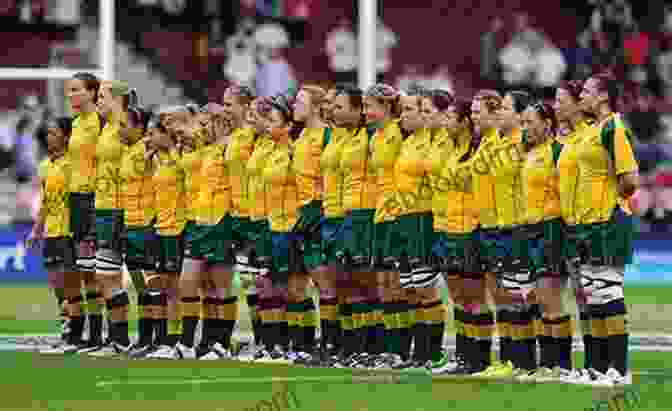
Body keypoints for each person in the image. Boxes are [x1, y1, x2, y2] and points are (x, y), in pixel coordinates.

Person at [563, 71, 639, 385]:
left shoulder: (614, 127)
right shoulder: (595, 129)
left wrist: (608, 205)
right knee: (595, 295)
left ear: (603, 96)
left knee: (608, 292)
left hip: (607, 221)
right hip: (589, 223)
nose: (582, 97)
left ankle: (619, 370)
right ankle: (598, 367)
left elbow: (630, 179)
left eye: (587, 92)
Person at [474, 90, 534, 378]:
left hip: (516, 226)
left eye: (507, 108)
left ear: (522, 115)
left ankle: (523, 360)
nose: (500, 113)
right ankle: (508, 358)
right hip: (493, 227)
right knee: (500, 295)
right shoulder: (494, 143)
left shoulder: (524, 144)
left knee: (517, 296)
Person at [423, 97, 480, 375]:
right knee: (457, 297)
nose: (444, 123)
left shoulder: (476, 150)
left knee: (472, 298)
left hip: (467, 228)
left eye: (449, 118)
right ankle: (463, 355)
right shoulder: (454, 150)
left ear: (464, 122)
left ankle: (477, 357)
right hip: (445, 227)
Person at [516, 102, 571, 381]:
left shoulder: (558, 151)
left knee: (551, 299)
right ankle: (547, 364)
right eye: (522, 123)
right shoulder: (530, 153)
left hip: (552, 228)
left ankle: (560, 365)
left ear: (547, 123)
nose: (525, 128)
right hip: (530, 228)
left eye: (530, 122)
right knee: (536, 298)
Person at [86, 81, 138, 356]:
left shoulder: (125, 127)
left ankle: (150, 338)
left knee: (142, 278)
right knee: (105, 275)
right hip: (104, 208)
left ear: (118, 99)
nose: (98, 100)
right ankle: (118, 339)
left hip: (123, 209)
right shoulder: (105, 127)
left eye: (103, 96)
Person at [289, 85, 331, 360]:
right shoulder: (302, 135)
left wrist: (321, 211)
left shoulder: (326, 135)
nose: (294, 105)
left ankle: (331, 343)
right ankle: (306, 344)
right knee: (298, 285)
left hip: (319, 212)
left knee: (324, 283)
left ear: (316, 106)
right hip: (301, 212)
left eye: (299, 101)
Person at [64, 72, 104, 351]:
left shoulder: (100, 121)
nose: (70, 95)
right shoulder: (76, 123)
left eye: (76, 90)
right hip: (76, 198)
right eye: (69, 90)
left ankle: (99, 333)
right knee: (81, 269)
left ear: (92, 92)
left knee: (94, 270)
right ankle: (86, 331)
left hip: (94, 197)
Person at [29, 117, 75, 353]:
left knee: (70, 284)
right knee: (56, 283)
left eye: (54, 133)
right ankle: (67, 326)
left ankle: (77, 330)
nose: (49, 138)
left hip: (70, 231)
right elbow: (46, 201)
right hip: (51, 232)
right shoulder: (45, 166)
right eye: (47, 133)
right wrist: (36, 230)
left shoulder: (73, 164)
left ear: (67, 136)